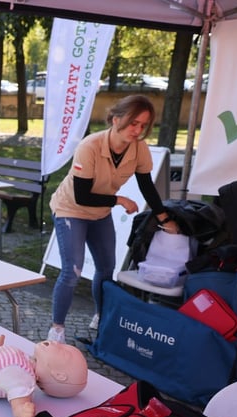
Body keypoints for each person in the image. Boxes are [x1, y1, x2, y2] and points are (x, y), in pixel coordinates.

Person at [47, 94, 181, 343]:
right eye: (134, 123)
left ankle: (101, 316)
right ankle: (57, 330)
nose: (138, 130)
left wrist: (164, 217)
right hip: (71, 209)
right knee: (72, 270)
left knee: (107, 268)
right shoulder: (90, 146)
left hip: (100, 212)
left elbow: (147, 186)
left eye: (143, 125)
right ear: (116, 119)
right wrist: (119, 200)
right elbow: (82, 196)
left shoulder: (139, 147)